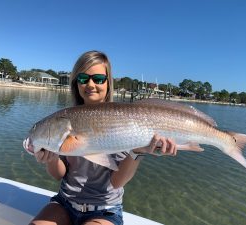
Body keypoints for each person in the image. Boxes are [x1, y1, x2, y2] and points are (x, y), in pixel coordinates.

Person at [29, 50, 177, 225]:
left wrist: (137, 151)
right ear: (76, 83)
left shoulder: (121, 120)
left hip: (104, 211)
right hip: (64, 203)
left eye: (98, 79)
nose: (90, 84)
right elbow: (59, 175)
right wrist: (51, 159)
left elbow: (117, 182)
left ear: (108, 82)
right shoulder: (66, 119)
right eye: (83, 78)